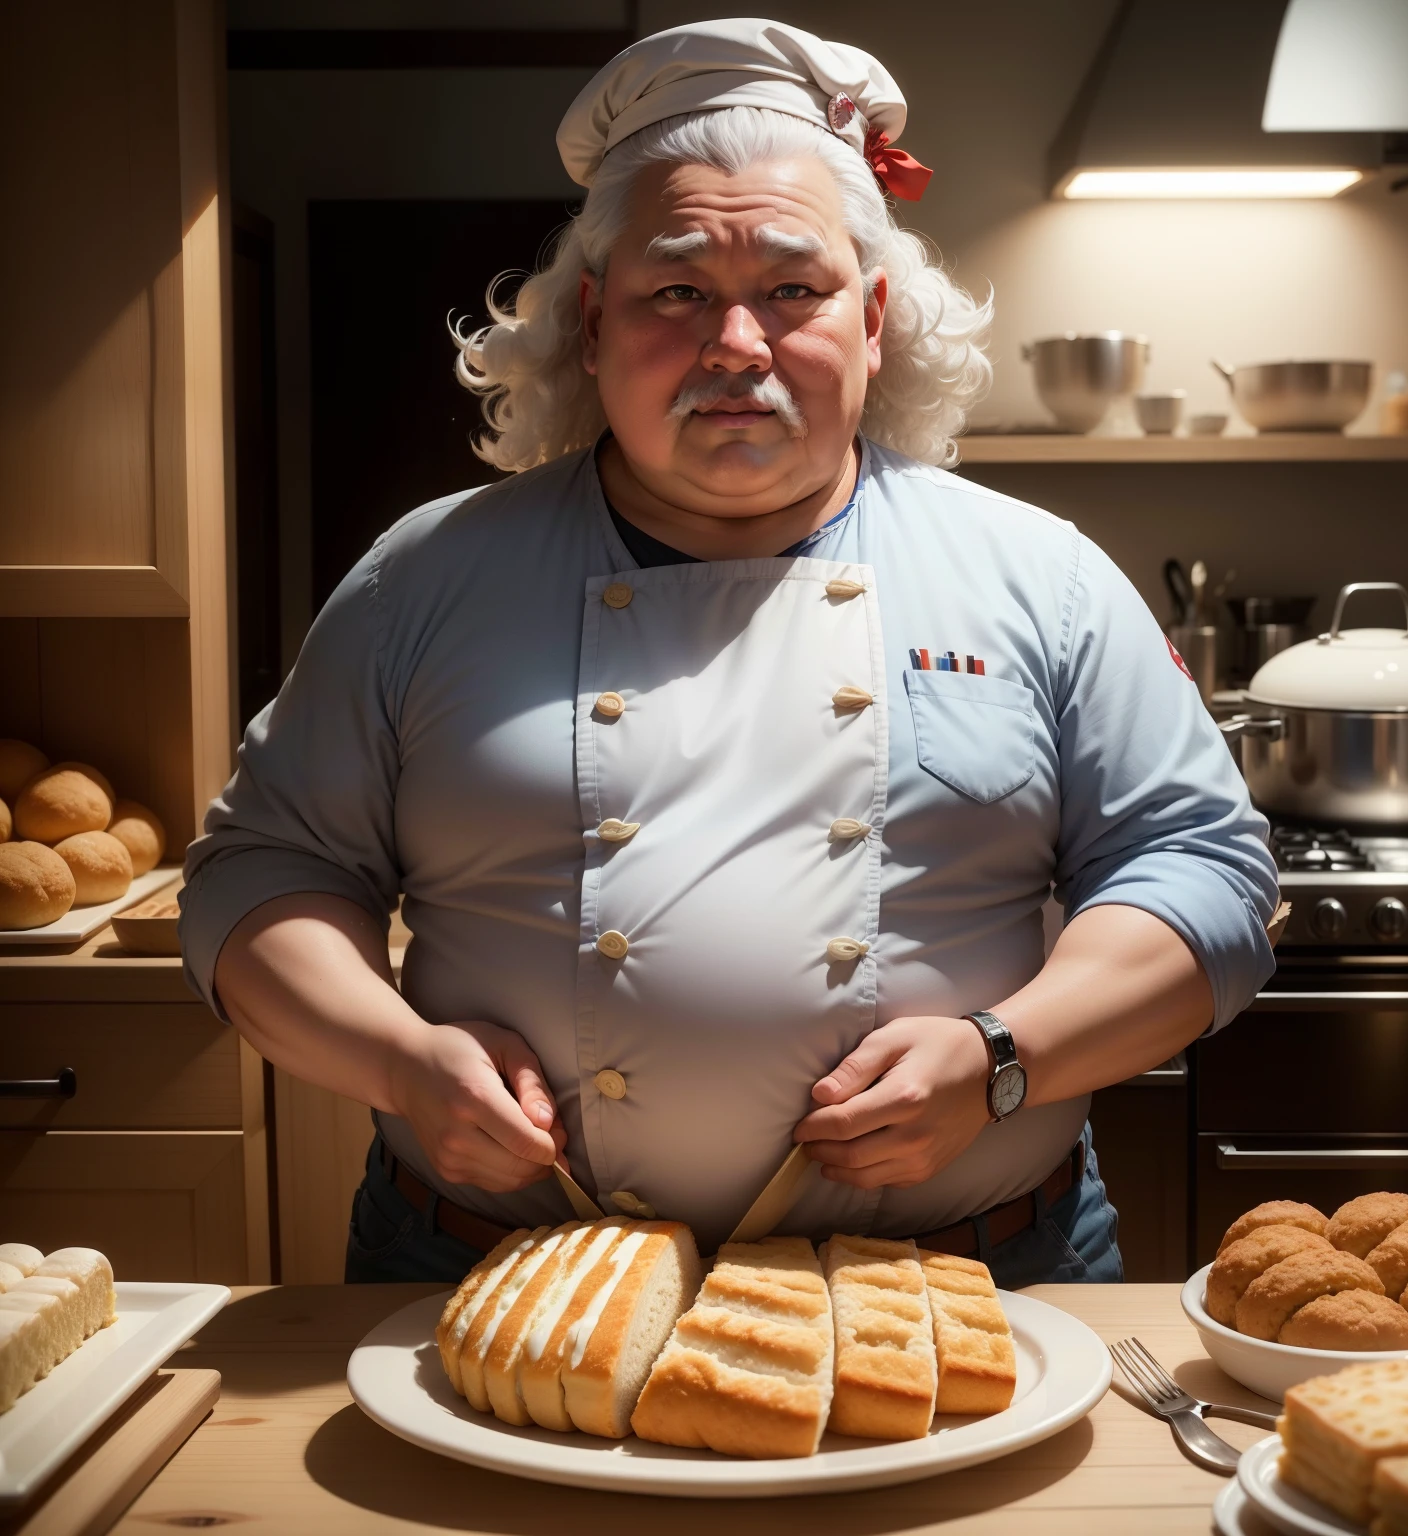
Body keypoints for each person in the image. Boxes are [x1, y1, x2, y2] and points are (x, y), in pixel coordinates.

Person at [180, 18, 1279, 1289]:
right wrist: (394, 1060)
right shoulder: (426, 576)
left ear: (871, 320)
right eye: (678, 289)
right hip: (495, 1281)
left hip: (966, 1287)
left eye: (793, 292)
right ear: (593, 322)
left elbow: (1203, 873)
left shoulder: (1043, 575)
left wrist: (1003, 1057)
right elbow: (256, 879)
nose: (736, 347)